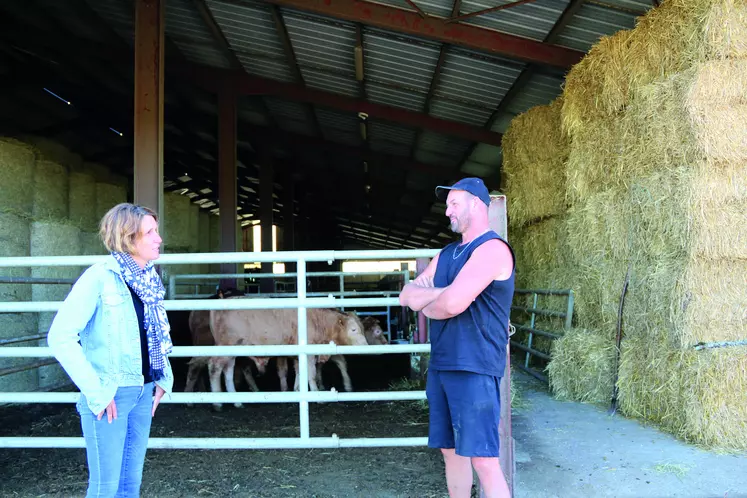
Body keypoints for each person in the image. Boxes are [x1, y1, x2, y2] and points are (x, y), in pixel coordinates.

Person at [47, 203, 174, 498]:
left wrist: (162, 378)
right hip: (111, 395)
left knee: (130, 487)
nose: (159, 238)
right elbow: (60, 336)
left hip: (143, 391)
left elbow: (154, 334)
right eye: (150, 232)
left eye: (157, 231)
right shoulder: (99, 277)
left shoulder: (149, 280)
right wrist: (97, 391)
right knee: (105, 489)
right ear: (129, 238)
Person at [399, 177, 514, 498]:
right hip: (443, 364)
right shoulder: (447, 253)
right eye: (447, 204)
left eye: (454, 204)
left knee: (484, 460)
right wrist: (444, 297)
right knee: (449, 451)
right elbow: (408, 295)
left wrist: (438, 300)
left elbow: (451, 304)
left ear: (476, 205)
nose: (447, 211)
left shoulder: (492, 250)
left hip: (475, 366)